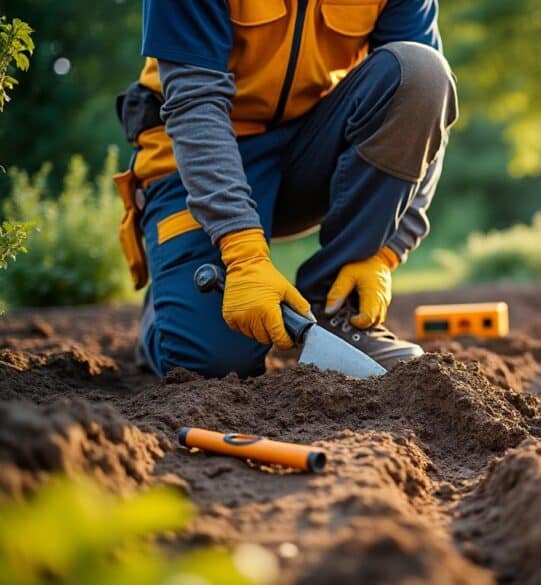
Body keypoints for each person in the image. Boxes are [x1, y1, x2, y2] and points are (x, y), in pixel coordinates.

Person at [113, 0, 457, 377]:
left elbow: (424, 103)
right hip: (193, 161)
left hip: (309, 151)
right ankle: (167, 307)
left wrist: (385, 252)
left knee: (422, 71)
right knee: (214, 366)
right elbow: (195, 104)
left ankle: (335, 311)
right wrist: (243, 253)